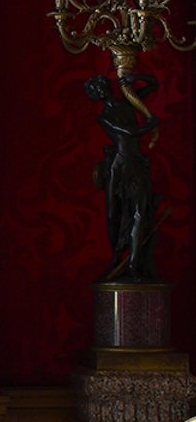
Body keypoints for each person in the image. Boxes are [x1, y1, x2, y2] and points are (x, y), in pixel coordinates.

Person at [84, 73, 161, 282]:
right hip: (118, 168)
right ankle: (117, 257)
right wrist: (150, 125)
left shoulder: (128, 100)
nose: (101, 90)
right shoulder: (104, 116)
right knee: (113, 215)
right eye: (96, 90)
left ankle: (134, 265)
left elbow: (154, 84)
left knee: (139, 213)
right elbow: (128, 132)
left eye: (101, 86)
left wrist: (135, 77)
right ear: (95, 95)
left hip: (136, 165)